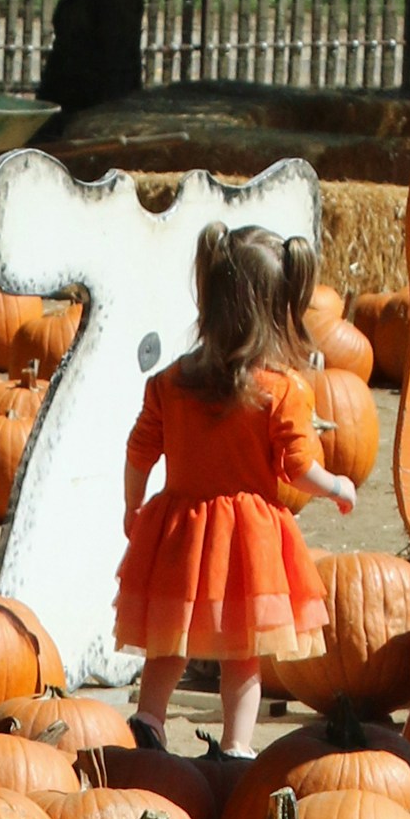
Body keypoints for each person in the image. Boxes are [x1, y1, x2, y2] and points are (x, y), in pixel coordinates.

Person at [116, 225, 357, 758]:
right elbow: (298, 468)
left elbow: (139, 451)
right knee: (243, 652)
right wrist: (337, 485)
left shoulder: (169, 382)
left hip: (179, 530)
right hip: (247, 542)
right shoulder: (283, 389)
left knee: (169, 637)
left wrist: (133, 506)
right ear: (279, 309)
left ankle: (150, 719)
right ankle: (236, 746)